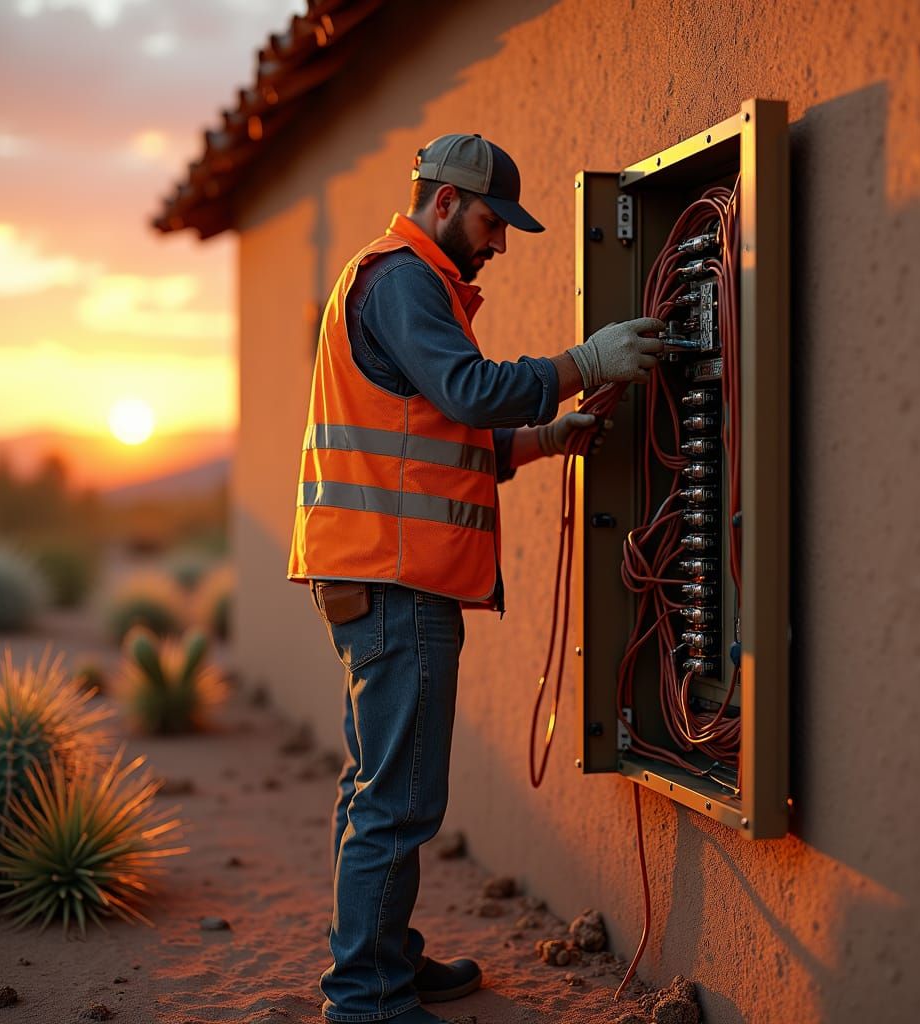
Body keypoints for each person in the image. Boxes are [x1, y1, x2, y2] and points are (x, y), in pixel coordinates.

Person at [287, 133, 665, 1024]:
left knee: (377, 789)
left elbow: (430, 439)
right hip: (396, 581)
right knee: (400, 797)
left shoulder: (387, 281)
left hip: (375, 576)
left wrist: (540, 440)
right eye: (494, 223)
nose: (499, 244)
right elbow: (466, 389)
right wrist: (585, 364)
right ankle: (367, 998)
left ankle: (382, 962)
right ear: (446, 203)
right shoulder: (406, 279)